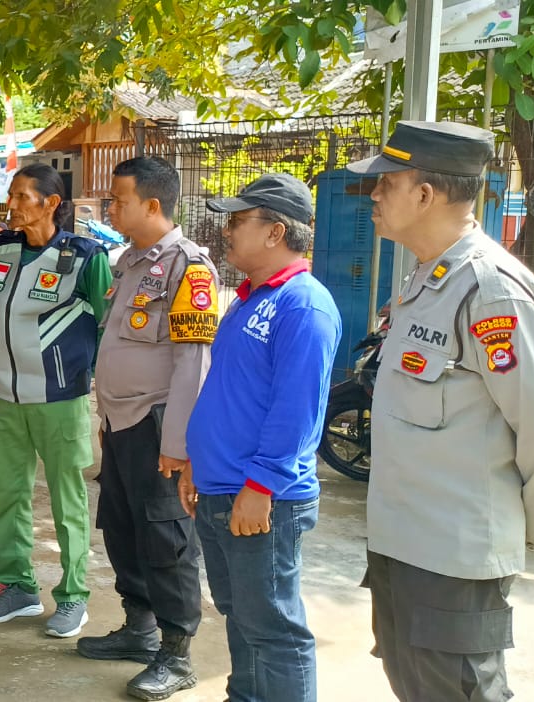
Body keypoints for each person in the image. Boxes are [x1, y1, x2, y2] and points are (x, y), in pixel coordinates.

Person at [351, 121, 534, 702]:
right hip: (403, 540)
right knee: (414, 683)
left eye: (386, 183)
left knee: (460, 690)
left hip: (456, 553)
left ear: (425, 195)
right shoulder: (428, 277)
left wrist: (530, 521)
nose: (374, 195)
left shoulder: (489, 289)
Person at [180, 173, 341, 702]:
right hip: (223, 486)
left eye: (238, 221)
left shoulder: (303, 305)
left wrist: (261, 485)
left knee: (274, 629)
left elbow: (297, 410)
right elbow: (229, 390)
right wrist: (196, 461)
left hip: (261, 496)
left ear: (276, 232)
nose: (226, 231)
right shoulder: (250, 299)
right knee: (241, 616)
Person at [77, 156, 215, 701]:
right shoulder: (129, 262)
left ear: (152, 205)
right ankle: (139, 629)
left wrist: (178, 444)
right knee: (122, 526)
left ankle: (177, 654)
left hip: (158, 424)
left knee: (166, 538)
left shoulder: (189, 267)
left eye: (119, 200)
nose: (110, 208)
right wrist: (108, 418)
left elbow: (192, 363)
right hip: (121, 422)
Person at [0, 163, 111, 638]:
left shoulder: (84, 257)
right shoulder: (2, 249)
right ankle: (18, 588)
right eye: (10, 195)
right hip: (8, 398)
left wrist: (90, 381)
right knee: (8, 496)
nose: (11, 205)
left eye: (21, 197)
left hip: (60, 400)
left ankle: (73, 596)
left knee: (67, 501)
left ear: (51, 203)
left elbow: (105, 326)